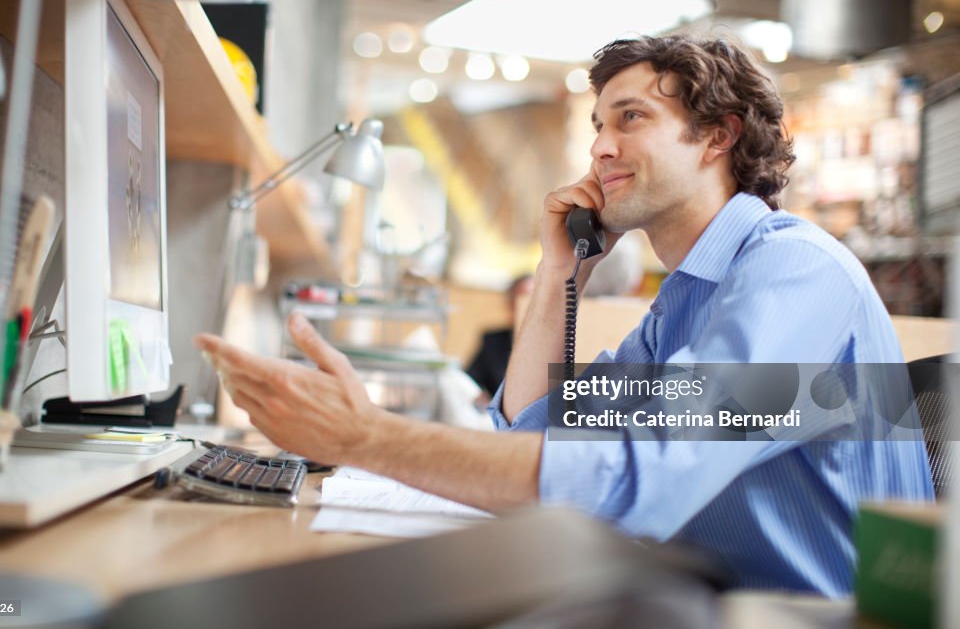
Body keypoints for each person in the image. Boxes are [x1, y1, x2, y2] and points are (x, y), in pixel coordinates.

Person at [196, 35, 932, 597]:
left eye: (631, 118)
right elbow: (535, 430)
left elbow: (640, 480)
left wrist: (366, 437)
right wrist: (558, 271)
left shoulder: (796, 275)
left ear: (718, 136)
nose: (599, 148)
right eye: (597, 125)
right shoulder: (682, 302)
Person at [465, 274, 534, 405]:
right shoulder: (493, 341)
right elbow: (471, 380)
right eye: (519, 299)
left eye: (532, 299)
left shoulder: (561, 345)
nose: (525, 306)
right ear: (510, 304)